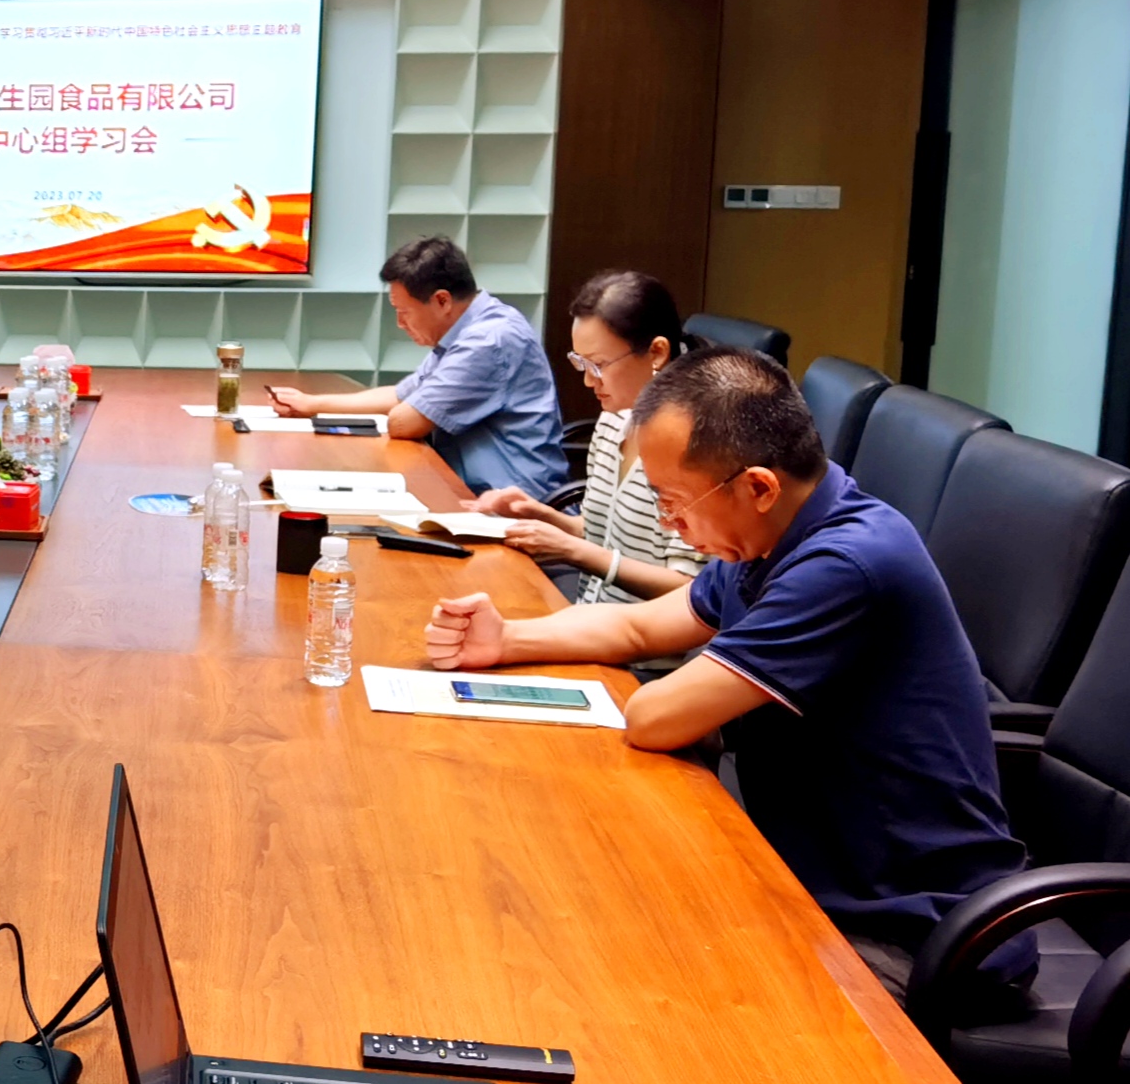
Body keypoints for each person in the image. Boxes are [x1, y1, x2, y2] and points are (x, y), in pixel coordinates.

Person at [422, 348, 1032, 1009]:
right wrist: (507, 639)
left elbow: (655, 716)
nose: (668, 523)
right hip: (813, 877)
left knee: (636, 987)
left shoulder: (845, 564)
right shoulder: (774, 534)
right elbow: (639, 628)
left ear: (758, 487)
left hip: (908, 929)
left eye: (675, 502)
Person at [466, 269, 706, 605]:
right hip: (591, 615)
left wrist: (573, 552)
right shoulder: (613, 419)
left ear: (656, 352)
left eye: (599, 365)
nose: (589, 381)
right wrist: (540, 515)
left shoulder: (697, 444)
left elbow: (691, 592)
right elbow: (603, 533)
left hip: (643, 636)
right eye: (581, 363)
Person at [270, 235, 567, 498]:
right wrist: (311, 404)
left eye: (403, 312)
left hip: (514, 504)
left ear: (442, 301)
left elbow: (404, 422)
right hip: (472, 490)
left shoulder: (488, 341)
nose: (400, 324)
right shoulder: (468, 329)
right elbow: (401, 395)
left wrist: (405, 410)